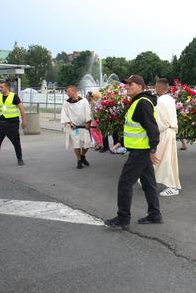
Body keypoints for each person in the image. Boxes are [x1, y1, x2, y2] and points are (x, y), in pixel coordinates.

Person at [105, 75, 162, 230]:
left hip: (141, 152)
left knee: (125, 183)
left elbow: (152, 129)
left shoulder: (142, 103)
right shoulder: (138, 102)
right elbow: (135, 128)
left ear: (140, 86)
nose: (127, 86)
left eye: (131, 84)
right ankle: (155, 214)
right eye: (126, 84)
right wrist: (121, 143)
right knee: (149, 183)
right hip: (140, 150)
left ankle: (123, 218)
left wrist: (152, 149)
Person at [0, 80, 26, 165]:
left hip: (12, 123)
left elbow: (22, 109)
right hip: (2, 123)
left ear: (7, 87)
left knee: (16, 142)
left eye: (1, 87)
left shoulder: (14, 96)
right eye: (0, 87)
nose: (0, 89)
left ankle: (20, 159)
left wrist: (24, 121)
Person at [154, 78, 182, 196]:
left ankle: (172, 186)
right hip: (169, 131)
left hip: (164, 132)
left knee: (162, 159)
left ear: (160, 87)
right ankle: (148, 179)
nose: (154, 88)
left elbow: (157, 119)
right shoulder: (170, 99)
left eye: (156, 86)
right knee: (166, 158)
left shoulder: (160, 101)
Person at [61, 85, 93, 169]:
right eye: (67, 92)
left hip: (83, 126)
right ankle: (79, 160)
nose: (67, 94)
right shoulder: (66, 103)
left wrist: (88, 122)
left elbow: (88, 112)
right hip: (74, 127)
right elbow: (64, 114)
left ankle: (83, 156)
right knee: (76, 144)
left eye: (68, 92)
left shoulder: (84, 101)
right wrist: (69, 123)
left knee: (87, 144)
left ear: (74, 91)